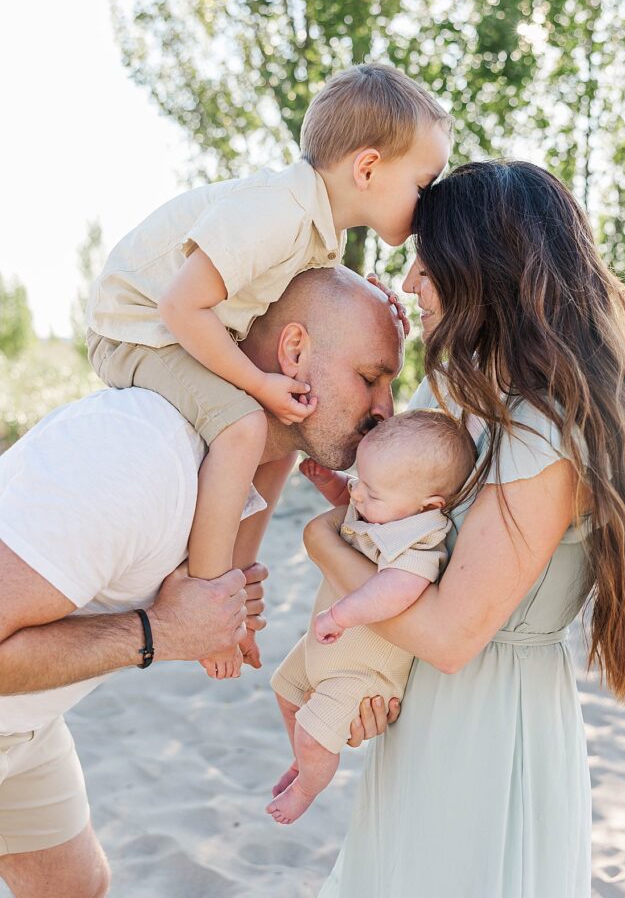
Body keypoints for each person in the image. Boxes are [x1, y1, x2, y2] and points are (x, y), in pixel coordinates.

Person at [305, 162, 625, 898]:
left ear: (480, 270)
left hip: (491, 727)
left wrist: (319, 539)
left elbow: (449, 635)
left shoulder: (542, 428)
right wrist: (369, 677)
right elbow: (406, 557)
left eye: (426, 260)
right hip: (426, 712)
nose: (410, 281)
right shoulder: (457, 393)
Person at [0, 267, 404, 898]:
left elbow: (277, 456)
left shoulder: (235, 459)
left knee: (74, 887)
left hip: (24, 725)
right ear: (294, 352)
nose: (386, 409)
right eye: (371, 377)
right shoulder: (136, 456)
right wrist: (156, 633)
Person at [86, 63, 451, 680]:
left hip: (176, 326)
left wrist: (376, 301)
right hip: (134, 327)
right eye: (423, 182)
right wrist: (257, 386)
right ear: (367, 169)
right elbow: (179, 304)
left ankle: (240, 589)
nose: (427, 206)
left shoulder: (319, 232)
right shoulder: (274, 209)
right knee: (246, 426)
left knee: (289, 422)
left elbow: (312, 303)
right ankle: (208, 605)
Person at [267, 409, 476, 824]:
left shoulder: (421, 542)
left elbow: (393, 590)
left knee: (314, 734)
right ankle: (303, 761)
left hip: (362, 671)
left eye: (371, 492)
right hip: (328, 647)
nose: (358, 495)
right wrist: (333, 485)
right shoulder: (388, 507)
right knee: (285, 690)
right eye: (359, 479)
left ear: (428, 505)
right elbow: (353, 500)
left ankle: (309, 785)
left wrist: (342, 615)